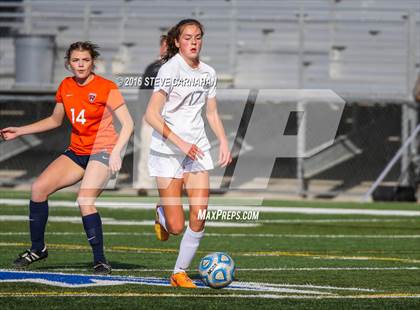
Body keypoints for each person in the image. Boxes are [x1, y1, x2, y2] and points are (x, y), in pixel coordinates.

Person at [0, 41, 134, 274]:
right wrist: (20, 130)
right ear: (68, 63)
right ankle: (38, 249)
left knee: (84, 200)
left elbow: (128, 124)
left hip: (102, 151)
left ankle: (100, 259)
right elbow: (54, 120)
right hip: (77, 151)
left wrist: (115, 152)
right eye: (75, 60)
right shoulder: (66, 85)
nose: (80, 64)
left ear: (93, 62)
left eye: (85, 60)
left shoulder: (106, 87)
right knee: (38, 189)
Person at [145, 19, 232, 288]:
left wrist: (224, 141)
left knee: (200, 214)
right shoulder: (170, 70)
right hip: (168, 151)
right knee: (176, 227)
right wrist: (180, 142)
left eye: (197, 37)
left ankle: (178, 272)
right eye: (187, 38)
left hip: (197, 150)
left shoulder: (208, 72)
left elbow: (212, 112)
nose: (193, 42)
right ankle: (162, 213)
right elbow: (151, 115)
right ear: (176, 42)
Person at [135, 35, 167, 196]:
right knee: (147, 150)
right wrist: (145, 114)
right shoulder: (152, 68)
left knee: (173, 152)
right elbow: (143, 93)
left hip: (172, 118)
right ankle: (144, 184)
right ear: (161, 47)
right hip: (152, 117)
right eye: (165, 46)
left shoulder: (182, 67)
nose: (167, 49)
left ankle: (174, 184)